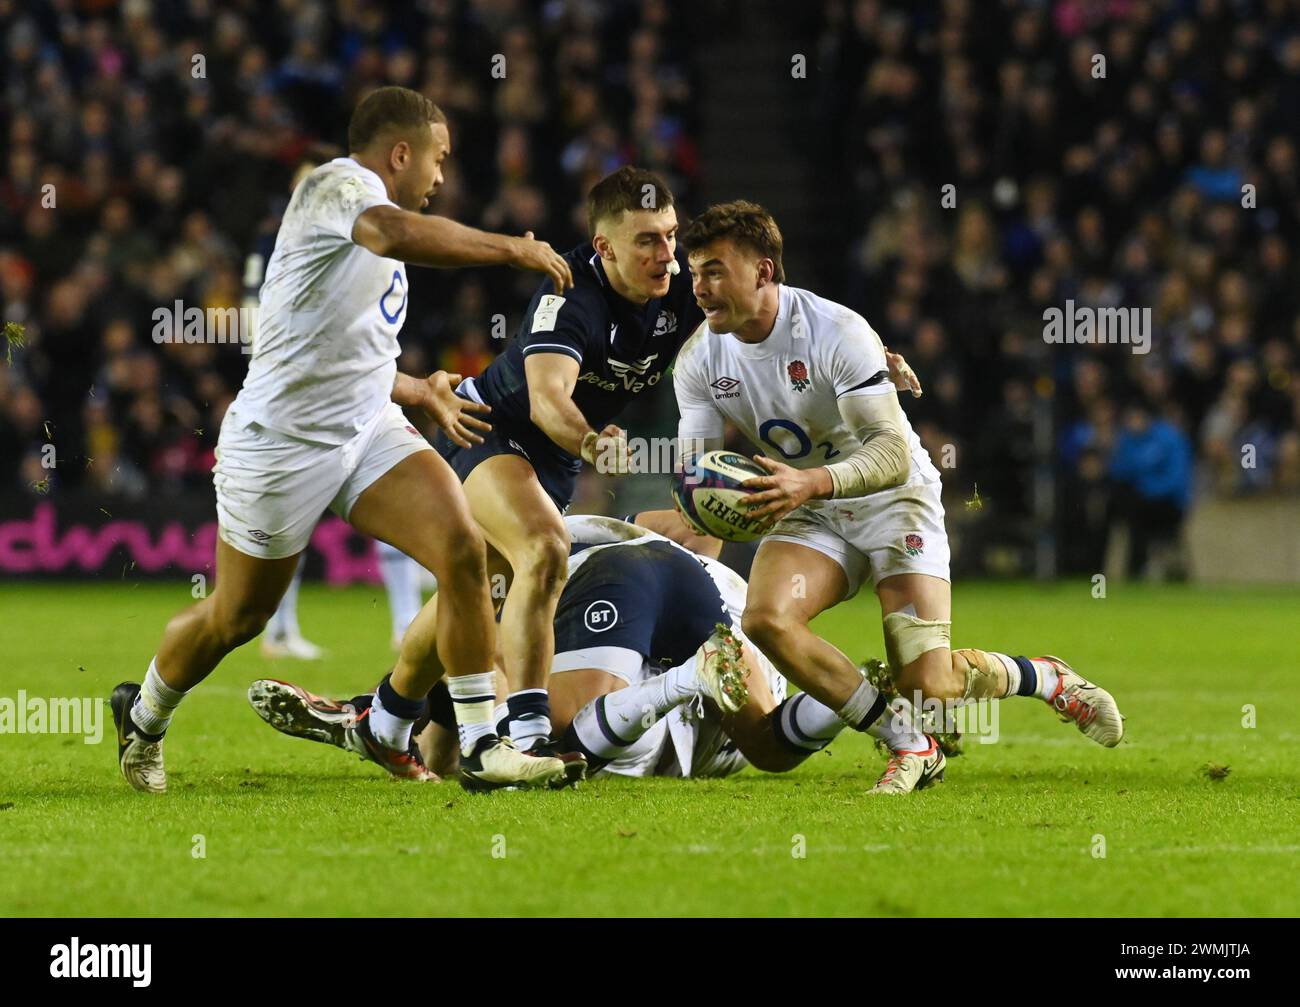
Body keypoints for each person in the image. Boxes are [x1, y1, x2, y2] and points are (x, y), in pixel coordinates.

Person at [110, 86, 577, 795]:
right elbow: (392, 233)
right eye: (437, 159)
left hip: (364, 429)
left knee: (463, 547)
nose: (441, 177)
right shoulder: (336, 186)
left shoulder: (370, 228)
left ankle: (483, 745)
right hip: (281, 444)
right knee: (236, 616)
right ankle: (143, 715)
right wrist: (511, 247)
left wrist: (417, 390)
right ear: (400, 152)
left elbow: (346, 346)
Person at [672, 201, 1124, 793]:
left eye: (714, 271)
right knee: (766, 619)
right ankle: (906, 740)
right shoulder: (699, 359)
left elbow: (887, 453)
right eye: (695, 271)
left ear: (763, 271)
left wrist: (805, 481)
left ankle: (1046, 677)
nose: (699, 288)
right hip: (808, 505)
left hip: (893, 497)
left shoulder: (837, 331)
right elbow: (695, 478)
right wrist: (719, 504)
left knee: (930, 687)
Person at [247, 514, 945, 793]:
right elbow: (777, 738)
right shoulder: (721, 583)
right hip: (694, 632)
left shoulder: (613, 543)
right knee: (769, 744)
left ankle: (375, 718)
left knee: (531, 738)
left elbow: (584, 534)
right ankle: (377, 720)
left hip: (645, 615)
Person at [427, 166, 702, 767]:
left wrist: (858, 354)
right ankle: (529, 734)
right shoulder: (569, 292)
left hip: (550, 464)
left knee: (483, 589)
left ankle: (391, 715)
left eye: (671, 235)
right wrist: (592, 444)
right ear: (603, 246)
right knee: (544, 546)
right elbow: (550, 400)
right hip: (487, 428)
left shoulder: (681, 287)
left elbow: (762, 314)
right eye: (647, 241)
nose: (667, 255)